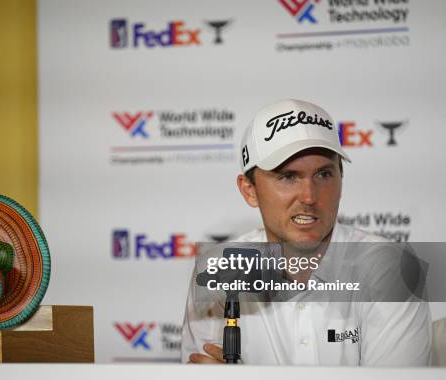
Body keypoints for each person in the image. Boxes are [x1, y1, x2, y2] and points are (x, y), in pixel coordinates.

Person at [182, 99, 431, 365]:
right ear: (249, 190)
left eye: (324, 174)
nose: (309, 197)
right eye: (288, 176)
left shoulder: (393, 268)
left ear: (341, 180)